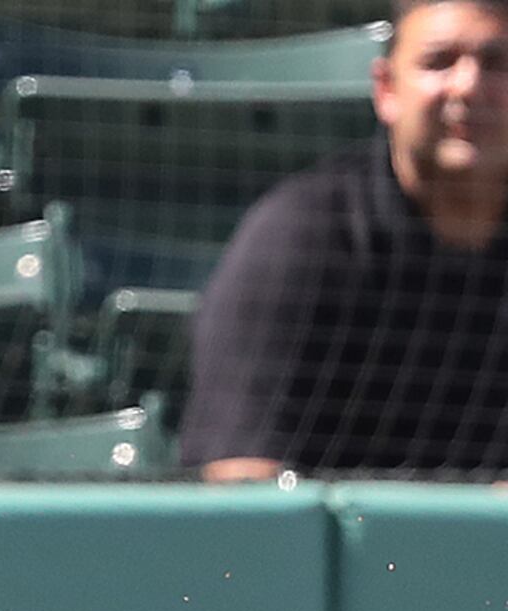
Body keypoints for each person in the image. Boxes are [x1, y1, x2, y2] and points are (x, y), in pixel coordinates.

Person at [186, 1, 508, 480]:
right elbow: (241, 487)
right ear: (386, 90)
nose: (468, 85)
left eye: (497, 63)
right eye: (438, 62)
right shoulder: (297, 238)